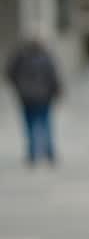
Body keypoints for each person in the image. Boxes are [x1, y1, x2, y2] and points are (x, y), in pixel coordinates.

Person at [6, 38, 62, 168]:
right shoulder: (46, 58)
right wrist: (57, 91)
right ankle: (49, 153)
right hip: (43, 98)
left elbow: (9, 73)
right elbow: (54, 76)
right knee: (46, 125)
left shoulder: (20, 58)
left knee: (30, 126)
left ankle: (32, 155)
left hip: (27, 98)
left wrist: (19, 87)